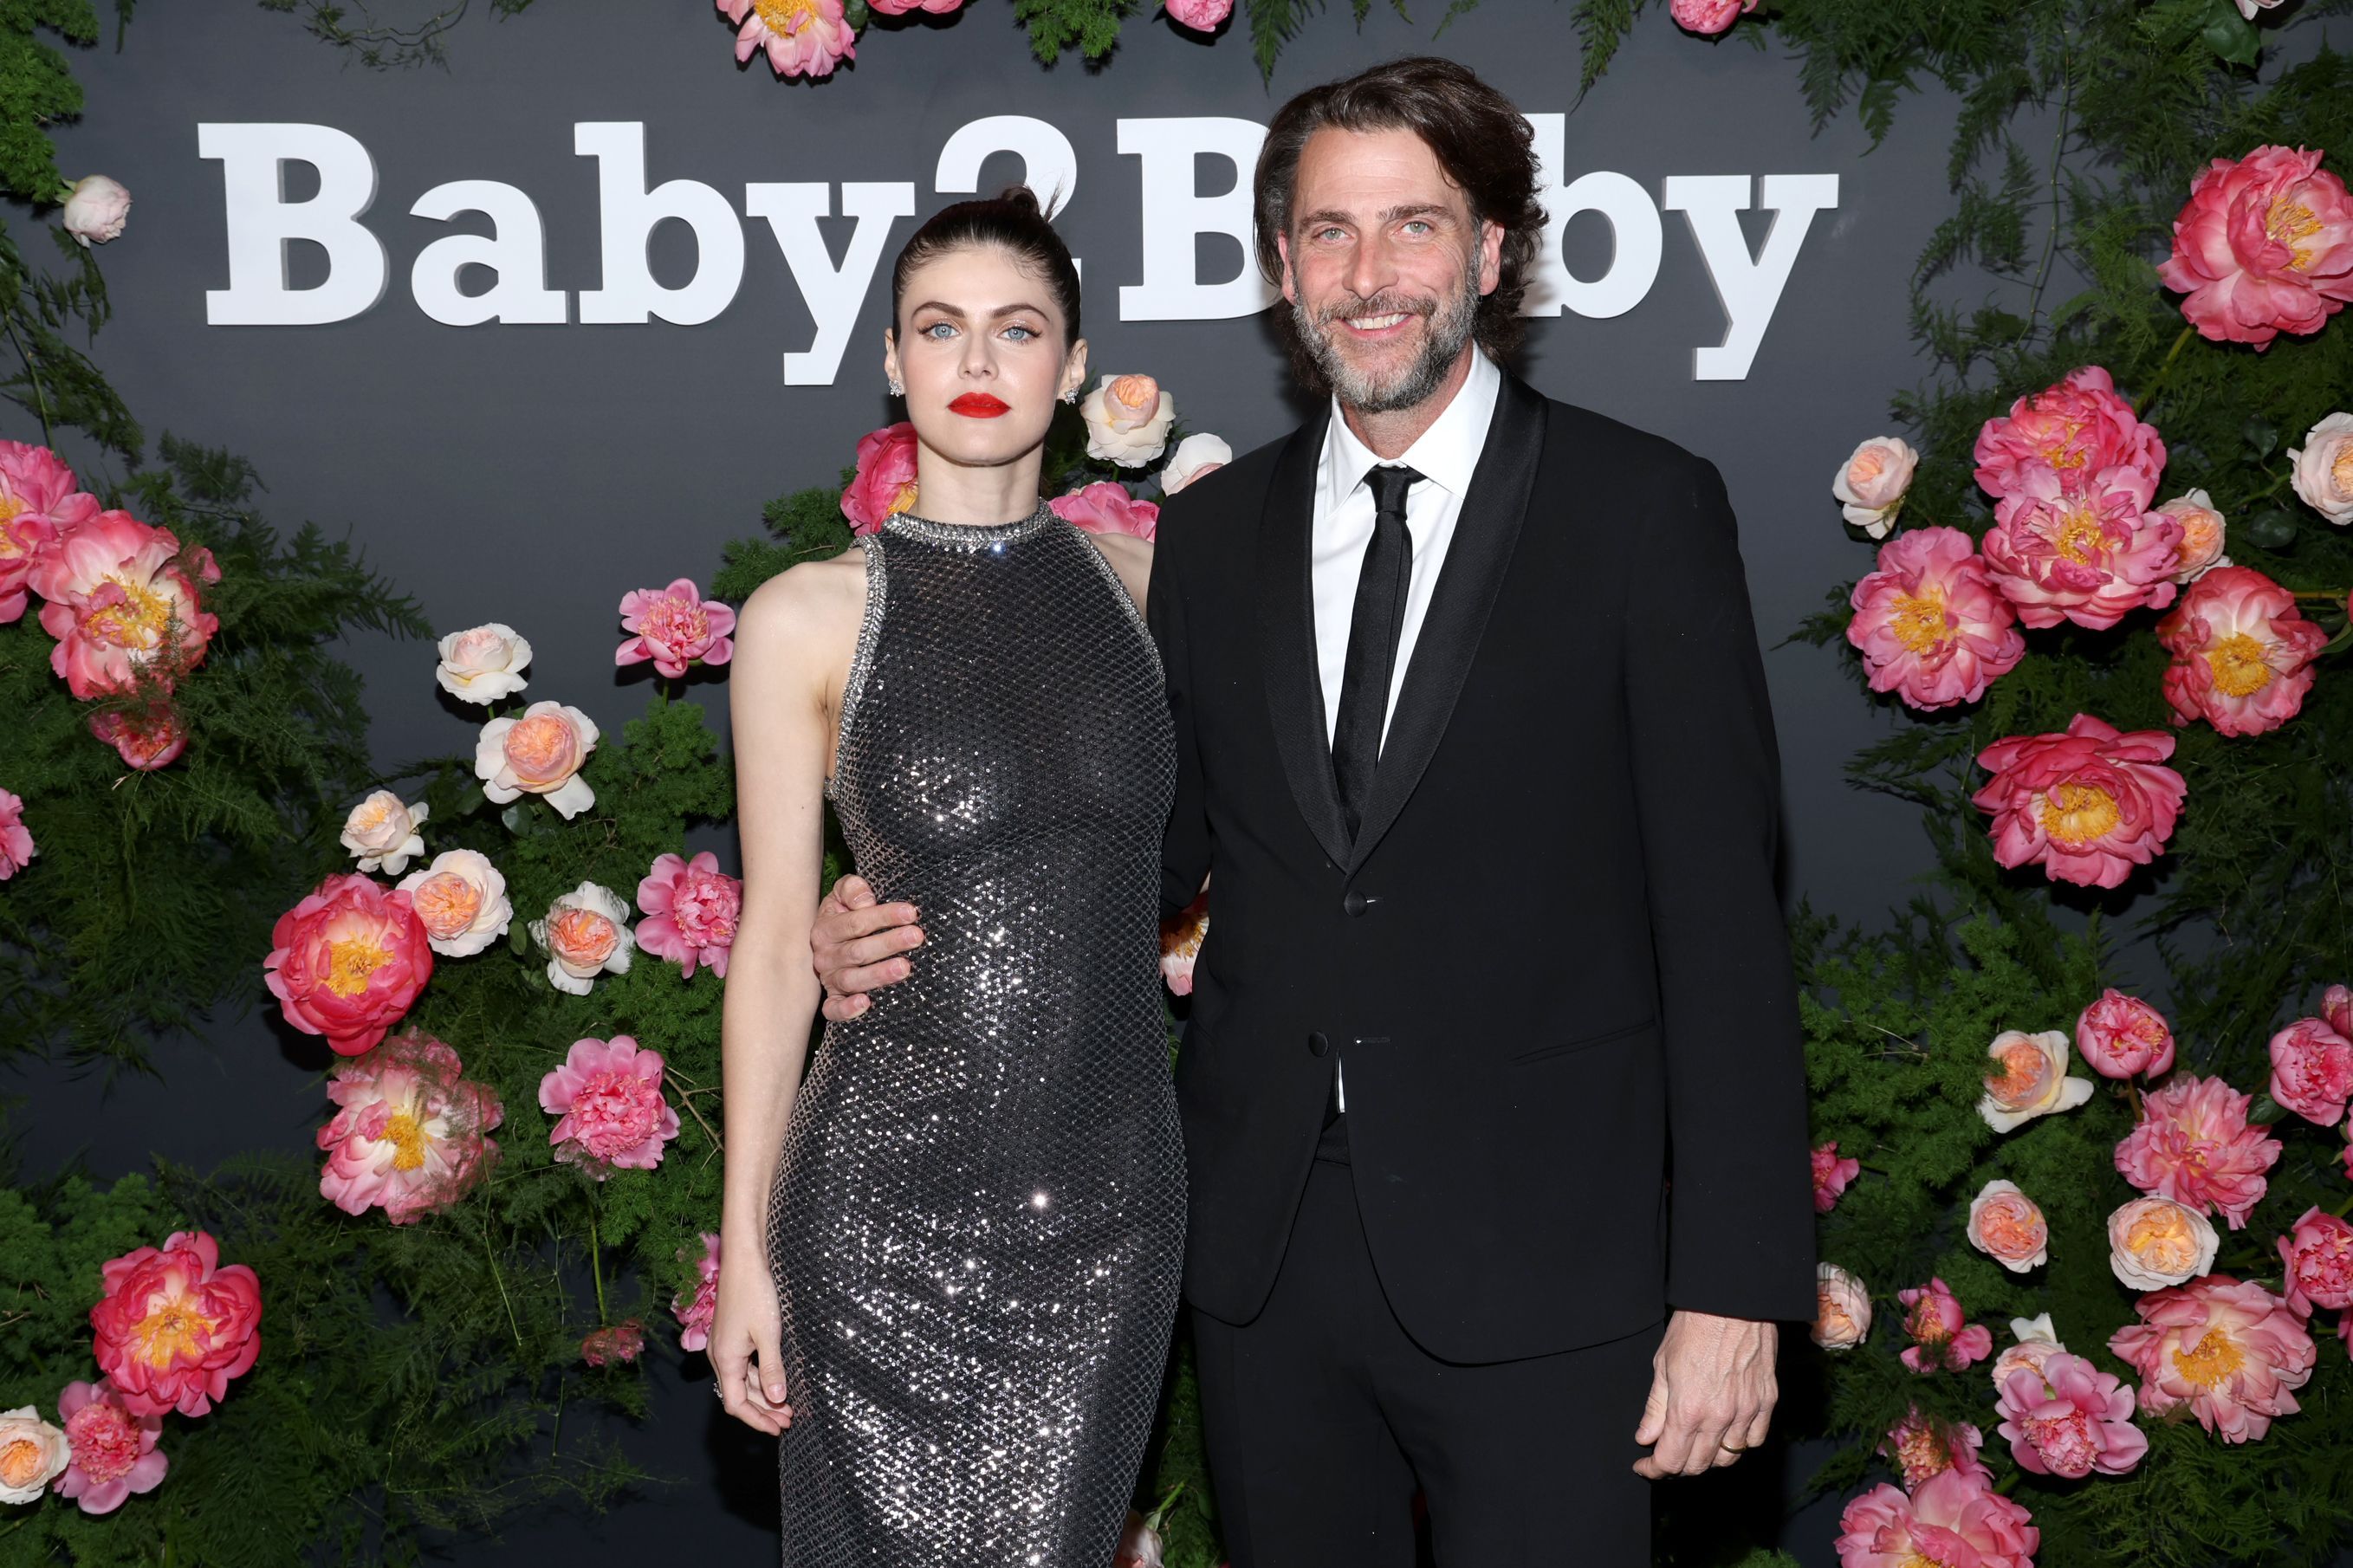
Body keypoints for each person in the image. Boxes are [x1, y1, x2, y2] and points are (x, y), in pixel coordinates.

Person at [814, 55, 1818, 1568]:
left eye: (1413, 227)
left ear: (1491, 253)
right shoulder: (1211, 536)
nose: (1370, 277)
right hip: (1261, 1261)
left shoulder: (1642, 512)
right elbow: (1137, 856)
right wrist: (891, 911)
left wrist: (1735, 1289)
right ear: (1283, 267)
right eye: (1329, 234)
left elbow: (1729, 927)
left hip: (1550, 1266)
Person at [707, 186, 1185, 1568]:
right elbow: (773, 950)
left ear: (1076, 367)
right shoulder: (807, 617)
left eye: (1018, 330)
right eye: (941, 328)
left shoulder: (1153, 592)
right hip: (876, 1210)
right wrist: (746, 1247)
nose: (978, 367)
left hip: (1108, 1209)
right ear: (891, 360)